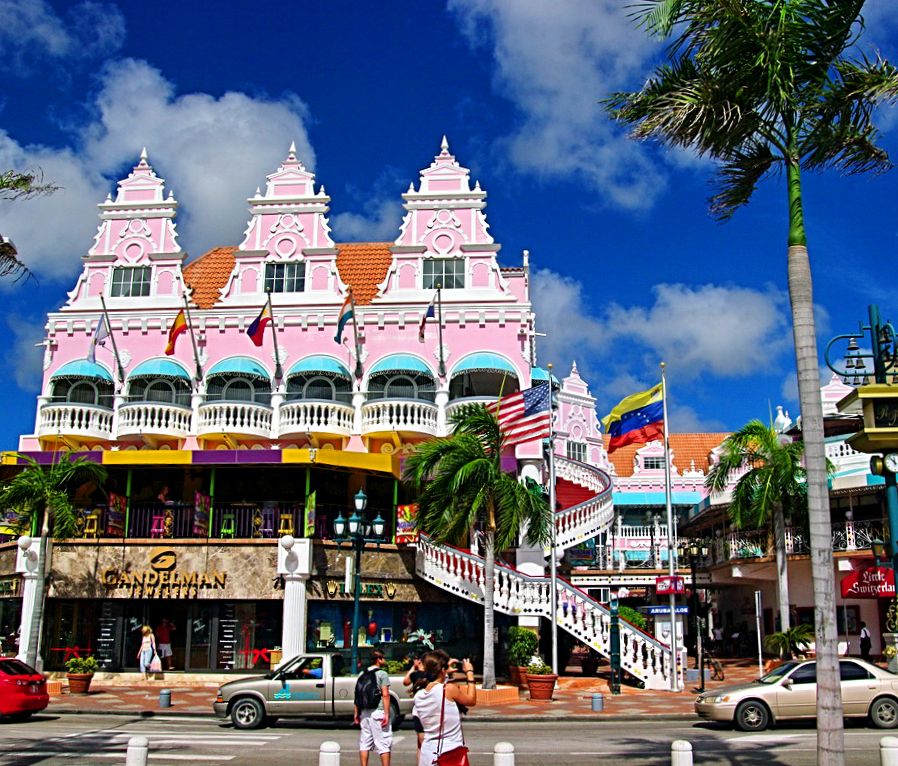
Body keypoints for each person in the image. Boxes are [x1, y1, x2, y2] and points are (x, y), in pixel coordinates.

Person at [412, 650, 477, 766]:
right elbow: (471, 700)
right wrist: (470, 672)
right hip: (449, 754)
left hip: (427, 754)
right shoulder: (448, 690)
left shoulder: (418, 696)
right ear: (442, 670)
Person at [354, 649, 392, 766]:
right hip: (378, 711)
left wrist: (356, 713)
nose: (384, 660)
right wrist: (386, 714)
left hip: (365, 713)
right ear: (378, 659)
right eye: (383, 658)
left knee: (364, 744)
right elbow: (385, 694)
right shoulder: (382, 674)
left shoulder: (362, 674)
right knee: (383, 744)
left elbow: (357, 694)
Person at [403, 655, 427, 762]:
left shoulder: (416, 674)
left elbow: (405, 681)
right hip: (425, 710)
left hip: (419, 711)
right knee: (421, 743)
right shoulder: (430, 675)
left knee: (421, 743)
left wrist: (413, 667)